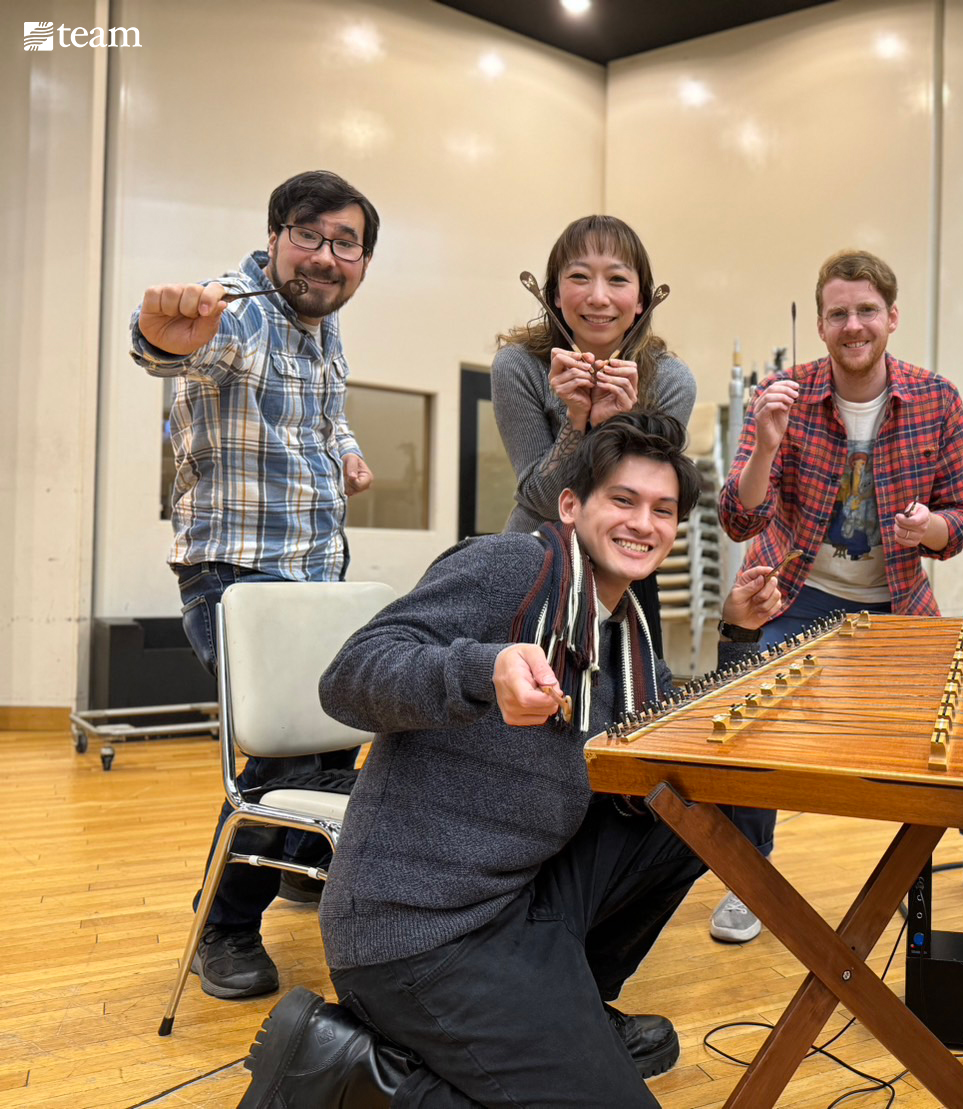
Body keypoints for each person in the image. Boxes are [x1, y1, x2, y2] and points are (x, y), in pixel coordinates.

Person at [234, 410, 784, 1109]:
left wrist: (737, 635)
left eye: (662, 509)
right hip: (418, 932)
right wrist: (480, 670)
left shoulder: (625, 632)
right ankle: (347, 1072)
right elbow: (349, 675)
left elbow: (678, 745)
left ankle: (567, 1001)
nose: (643, 522)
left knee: (699, 805)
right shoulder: (513, 566)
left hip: (520, 898)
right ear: (570, 505)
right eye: (623, 500)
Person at [712, 249, 963, 944]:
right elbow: (739, 518)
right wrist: (765, 446)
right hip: (795, 593)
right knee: (751, 715)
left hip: (897, 598)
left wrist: (933, 527)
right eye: (837, 313)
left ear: (890, 317)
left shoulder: (935, 398)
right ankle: (750, 875)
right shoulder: (783, 394)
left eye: (865, 311)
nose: (852, 324)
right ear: (821, 324)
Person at [130, 169, 380, 1001]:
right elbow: (176, 344)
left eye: (346, 243)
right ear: (274, 236)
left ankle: (298, 858)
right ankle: (226, 927)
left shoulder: (324, 330)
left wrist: (343, 449)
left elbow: (329, 408)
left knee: (343, 721)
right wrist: (161, 332)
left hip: (315, 576)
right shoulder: (234, 308)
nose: (326, 256)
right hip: (235, 582)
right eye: (309, 235)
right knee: (286, 750)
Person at [492, 214, 696, 656]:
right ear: (554, 294)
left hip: (625, 569)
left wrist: (615, 424)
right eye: (579, 277)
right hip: (533, 563)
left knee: (635, 708)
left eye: (618, 279)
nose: (598, 297)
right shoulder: (519, 367)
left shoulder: (670, 382)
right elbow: (546, 502)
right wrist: (578, 415)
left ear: (642, 299)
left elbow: (649, 499)